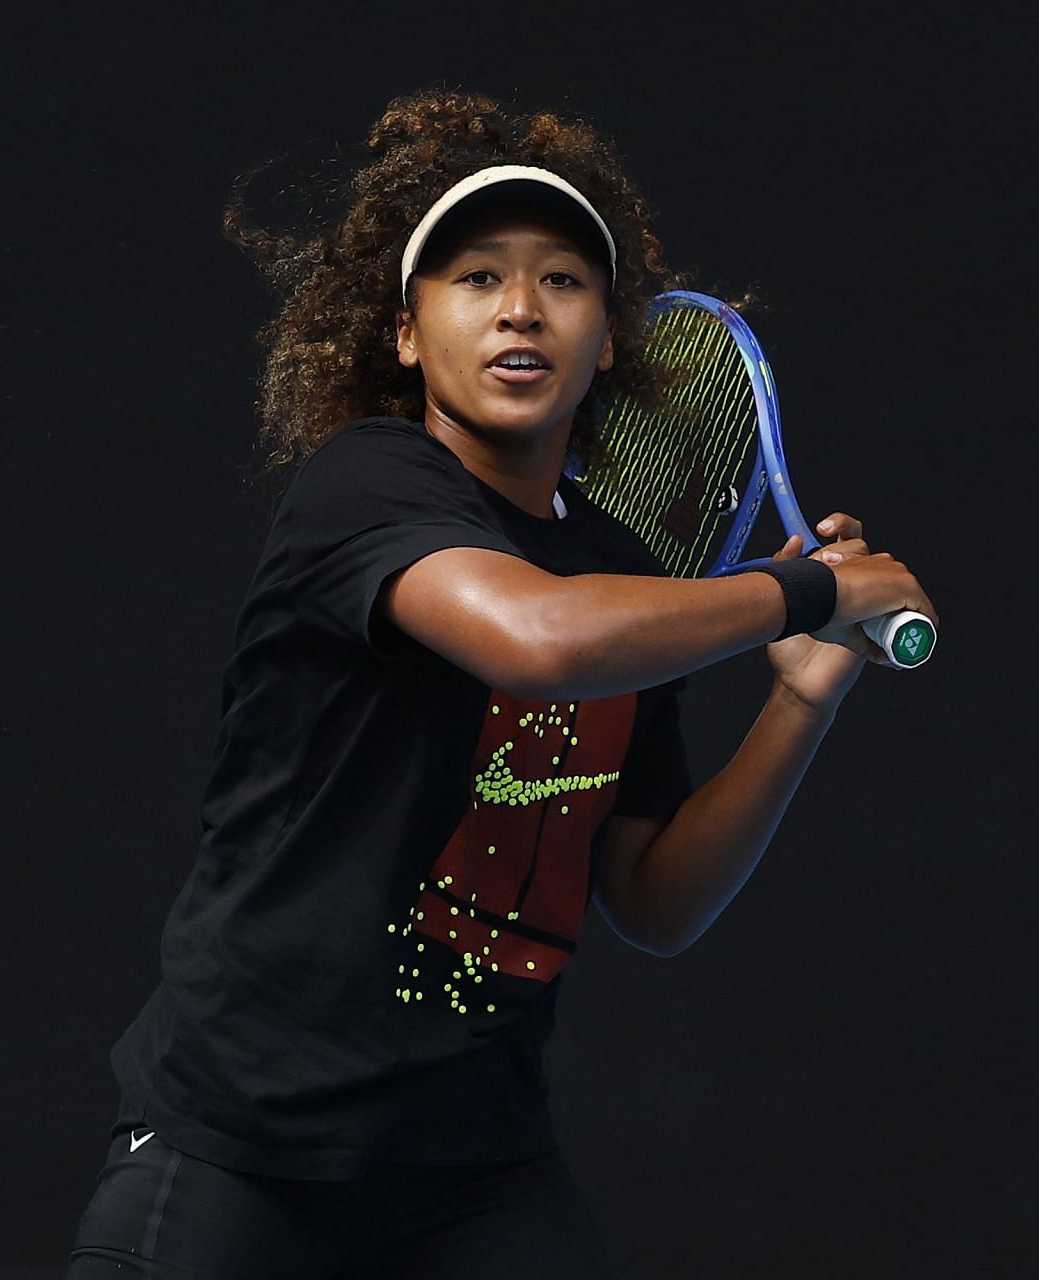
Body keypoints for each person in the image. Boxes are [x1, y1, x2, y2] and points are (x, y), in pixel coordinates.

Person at [67, 89, 935, 1280]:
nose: (521, 307)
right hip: (240, 1148)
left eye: (564, 281)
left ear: (610, 339)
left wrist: (801, 695)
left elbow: (654, 896)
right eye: (476, 278)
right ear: (409, 334)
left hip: (473, 1176)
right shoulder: (361, 485)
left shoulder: (625, 582)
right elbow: (538, 640)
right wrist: (805, 594)